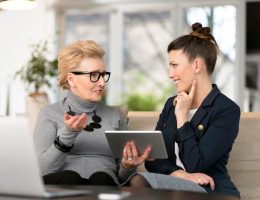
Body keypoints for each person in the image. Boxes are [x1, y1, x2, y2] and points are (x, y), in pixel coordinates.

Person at [121, 22, 240, 198]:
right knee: (138, 180)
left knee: (138, 181)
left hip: (211, 190)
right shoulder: (171, 104)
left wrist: (182, 117)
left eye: (174, 65)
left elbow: (195, 164)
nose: (170, 74)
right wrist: (180, 175)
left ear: (197, 66)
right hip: (175, 186)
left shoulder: (226, 110)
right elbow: (155, 160)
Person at [33, 40, 145, 186]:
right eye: (94, 75)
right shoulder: (49, 114)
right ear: (71, 79)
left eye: (103, 75)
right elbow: (43, 170)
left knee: (102, 178)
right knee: (69, 177)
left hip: (103, 183)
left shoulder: (115, 116)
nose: (102, 83)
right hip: (63, 184)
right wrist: (67, 135)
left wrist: (127, 166)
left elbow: (123, 178)